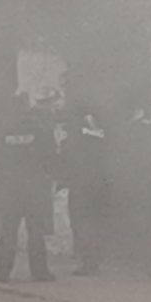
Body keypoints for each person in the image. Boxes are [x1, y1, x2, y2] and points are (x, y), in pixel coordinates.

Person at [0, 94, 59, 283]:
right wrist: (48, 179)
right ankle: (40, 272)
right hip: (34, 187)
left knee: (8, 230)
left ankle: (2, 272)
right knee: (36, 231)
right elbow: (50, 156)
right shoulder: (39, 128)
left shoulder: (3, 130)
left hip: (10, 188)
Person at [63, 101, 114, 276]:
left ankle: (88, 262)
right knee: (96, 222)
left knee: (81, 222)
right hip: (100, 184)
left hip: (81, 184)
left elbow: (68, 157)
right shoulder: (102, 133)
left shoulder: (75, 134)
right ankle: (96, 260)